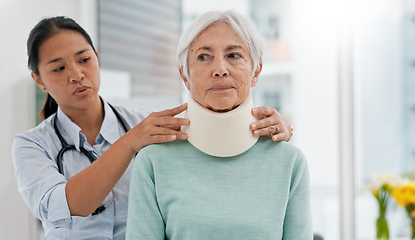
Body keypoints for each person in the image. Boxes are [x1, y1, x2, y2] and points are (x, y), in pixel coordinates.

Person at [11, 16, 294, 240]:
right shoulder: (32, 145)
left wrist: (277, 125)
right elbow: (69, 205)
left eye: (84, 59)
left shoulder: (147, 124)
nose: (76, 74)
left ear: (97, 57)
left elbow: (215, 122)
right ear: (39, 80)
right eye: (58, 69)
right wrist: (130, 142)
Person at [126, 10, 312, 240]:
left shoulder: (290, 163)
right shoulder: (152, 162)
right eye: (204, 57)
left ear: (256, 72)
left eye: (234, 55)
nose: (220, 69)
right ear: (185, 76)